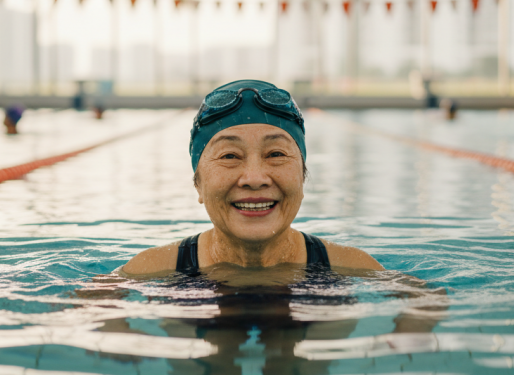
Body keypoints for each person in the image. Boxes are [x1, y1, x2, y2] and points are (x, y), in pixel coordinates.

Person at [123, 79, 382, 276]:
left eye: (276, 153)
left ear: (302, 178)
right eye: (229, 156)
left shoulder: (355, 269)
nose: (255, 178)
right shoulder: (147, 272)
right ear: (198, 184)